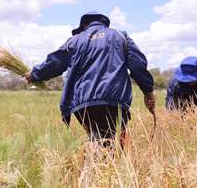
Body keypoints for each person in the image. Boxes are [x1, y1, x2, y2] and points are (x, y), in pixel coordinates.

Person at [24, 12, 155, 144]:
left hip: (83, 104)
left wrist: (34, 74)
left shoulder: (74, 41)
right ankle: (100, 163)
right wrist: (148, 91)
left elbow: (54, 63)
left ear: (84, 25)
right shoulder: (121, 37)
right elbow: (138, 65)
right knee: (108, 143)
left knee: (102, 140)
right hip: (114, 100)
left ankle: (99, 162)